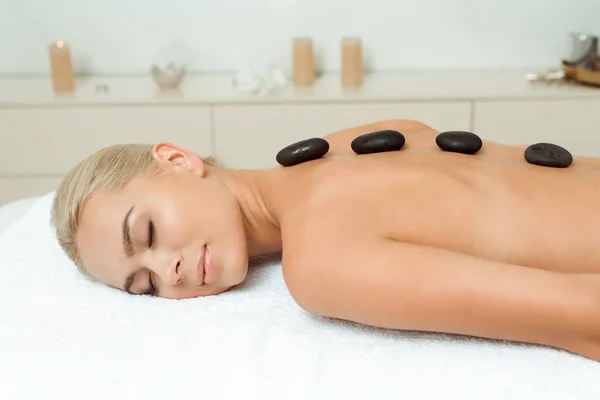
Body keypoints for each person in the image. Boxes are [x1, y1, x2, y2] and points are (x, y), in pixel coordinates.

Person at [51, 119, 600, 362]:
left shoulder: (320, 264)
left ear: (178, 160)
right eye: (144, 285)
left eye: (146, 233)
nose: (167, 270)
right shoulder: (340, 145)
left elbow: (585, 318)